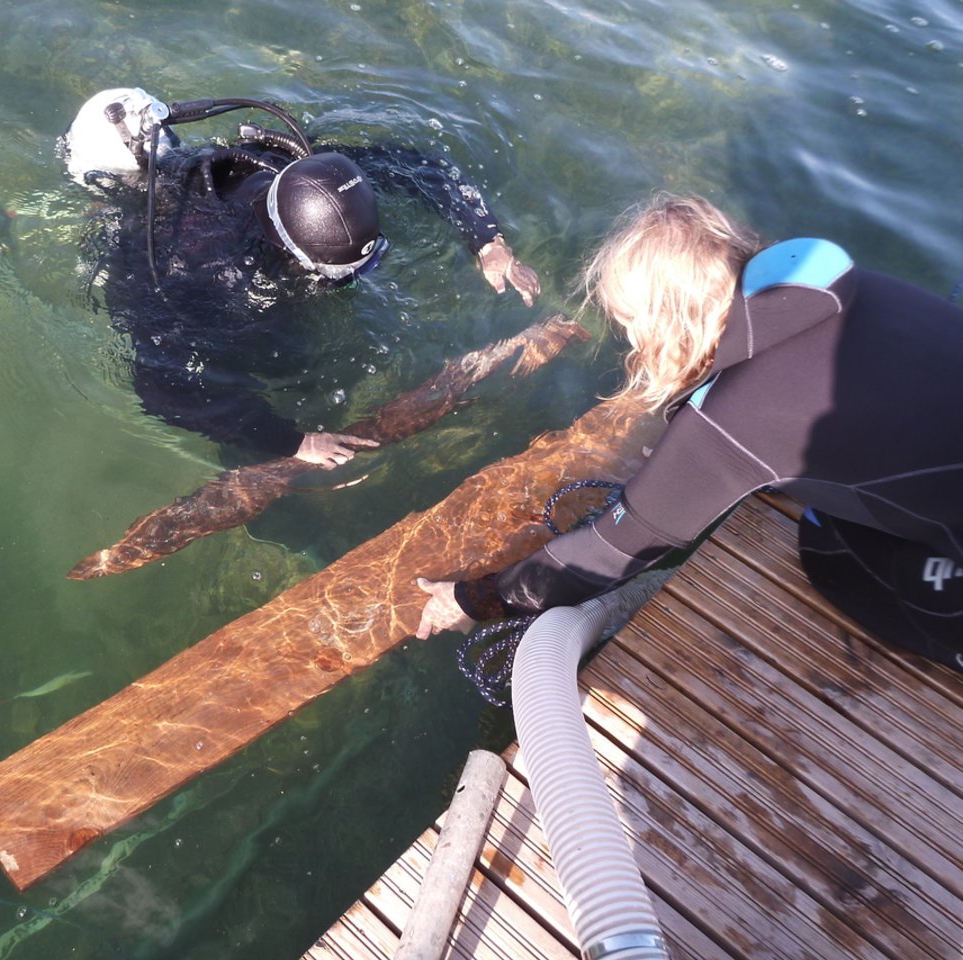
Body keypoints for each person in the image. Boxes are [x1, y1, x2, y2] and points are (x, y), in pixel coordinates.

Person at [414, 193, 963, 666]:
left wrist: (471, 599)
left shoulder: (735, 416)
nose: (630, 339)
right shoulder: (828, 288)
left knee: (828, 550)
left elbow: (611, 551)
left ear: (668, 321)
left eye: (630, 321)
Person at [60, 87, 539, 467]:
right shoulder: (174, 265)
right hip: (193, 262)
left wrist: (488, 241)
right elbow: (160, 385)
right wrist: (291, 442)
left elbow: (421, 168)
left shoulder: (293, 170)